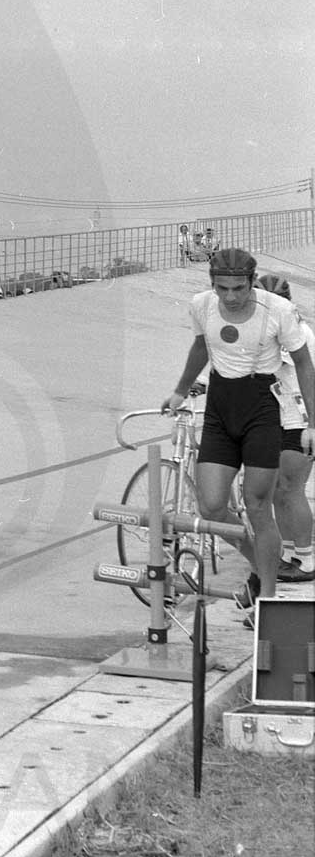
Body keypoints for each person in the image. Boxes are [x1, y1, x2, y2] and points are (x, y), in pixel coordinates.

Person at [161, 248, 315, 623]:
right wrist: (180, 390)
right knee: (211, 506)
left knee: (260, 504)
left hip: (265, 409)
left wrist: (312, 423)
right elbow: (202, 346)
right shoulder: (201, 305)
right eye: (222, 288)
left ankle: (269, 599)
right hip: (221, 407)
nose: (230, 297)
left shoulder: (278, 311)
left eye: (238, 288)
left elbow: (303, 363)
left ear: (251, 282)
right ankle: (261, 565)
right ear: (212, 284)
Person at [254, 274, 315, 582]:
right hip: (279, 416)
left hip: (299, 419)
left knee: (292, 489)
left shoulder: (297, 331)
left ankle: (306, 561)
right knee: (278, 490)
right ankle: (289, 554)